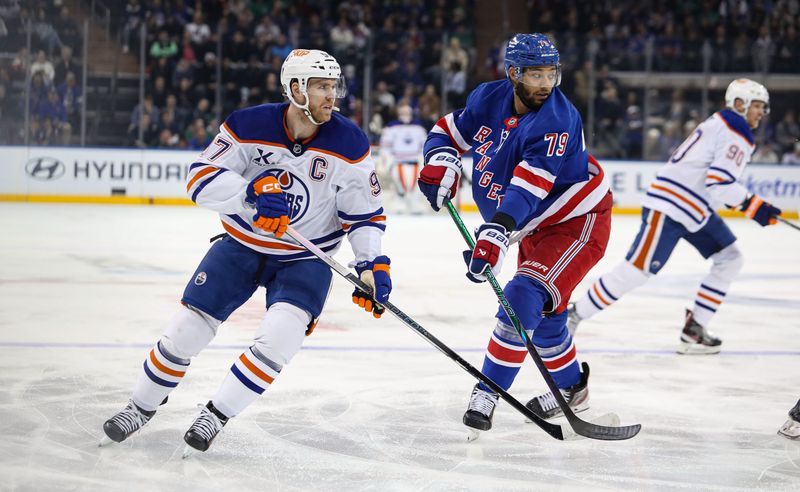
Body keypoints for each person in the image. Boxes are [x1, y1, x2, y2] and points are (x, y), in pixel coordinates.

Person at [101, 49, 392, 454]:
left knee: (279, 340)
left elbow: (364, 214)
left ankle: (215, 416)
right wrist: (250, 194)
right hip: (242, 245)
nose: (332, 96)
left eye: (333, 86)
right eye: (321, 87)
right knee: (186, 330)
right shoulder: (248, 124)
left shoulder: (350, 142)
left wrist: (370, 265)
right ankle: (139, 407)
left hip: (305, 259)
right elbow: (199, 178)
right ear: (296, 89)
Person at [417, 34, 612, 433]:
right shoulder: (488, 97)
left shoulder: (557, 119)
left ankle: (487, 391)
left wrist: (498, 231)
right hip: (530, 225)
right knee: (548, 319)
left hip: (574, 220)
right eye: (536, 74)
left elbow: (528, 187)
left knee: (523, 295)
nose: (545, 84)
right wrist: (440, 159)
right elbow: (447, 130)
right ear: (513, 73)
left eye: (551, 74)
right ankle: (573, 388)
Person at [569, 79, 780, 355]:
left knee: (730, 258)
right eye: (758, 106)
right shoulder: (736, 132)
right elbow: (719, 183)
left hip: (693, 208)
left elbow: (714, 183)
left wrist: (753, 206)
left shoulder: (722, 123)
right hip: (671, 207)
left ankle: (695, 329)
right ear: (740, 104)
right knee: (636, 270)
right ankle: (574, 314)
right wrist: (756, 207)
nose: (762, 112)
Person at [379, 104, 429, 213]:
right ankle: (399, 202)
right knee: (398, 183)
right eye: (403, 112)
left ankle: (415, 204)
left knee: (418, 184)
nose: (405, 114)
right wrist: (388, 161)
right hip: (397, 162)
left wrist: (422, 159)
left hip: (415, 162)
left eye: (407, 112)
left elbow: (425, 146)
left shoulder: (419, 128)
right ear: (399, 113)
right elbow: (385, 147)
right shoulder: (391, 127)